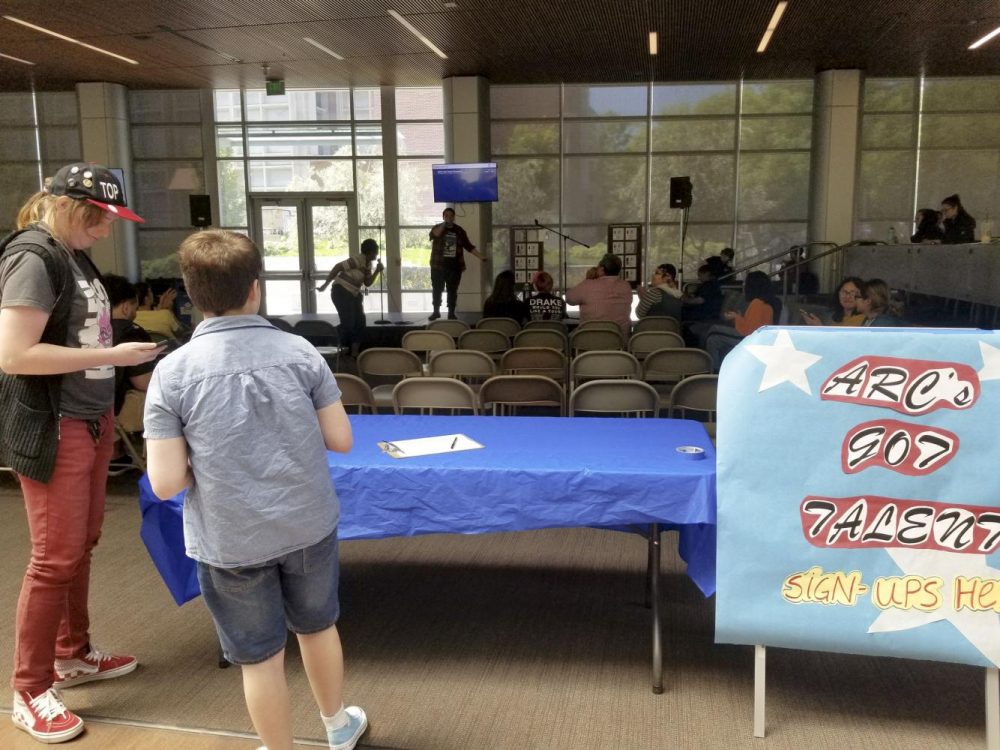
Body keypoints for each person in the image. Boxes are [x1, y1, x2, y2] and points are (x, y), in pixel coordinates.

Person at [144, 230, 368, 750]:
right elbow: (341, 438)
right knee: (317, 627)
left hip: (230, 536)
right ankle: (338, 726)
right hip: (307, 521)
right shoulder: (301, 352)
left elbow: (165, 481)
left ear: (191, 294)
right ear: (255, 289)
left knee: (259, 656)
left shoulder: (171, 373)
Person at [0, 163, 159, 744]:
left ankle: (71, 653)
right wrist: (119, 361)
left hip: (87, 419)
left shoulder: (70, 254)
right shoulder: (34, 257)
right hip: (54, 423)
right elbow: (14, 355)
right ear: (68, 207)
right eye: (99, 219)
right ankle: (30, 687)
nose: (105, 230)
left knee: (80, 545)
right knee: (53, 558)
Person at [316, 238, 383, 358]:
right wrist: (325, 285)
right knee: (349, 322)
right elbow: (337, 267)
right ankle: (332, 340)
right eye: (376, 251)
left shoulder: (367, 264)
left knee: (360, 322)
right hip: (341, 291)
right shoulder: (358, 259)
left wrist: (377, 271)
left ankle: (354, 353)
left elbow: (367, 282)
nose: (377, 254)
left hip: (353, 294)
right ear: (370, 252)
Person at [705, 271, 780, 370]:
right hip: (756, 336)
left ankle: (712, 370)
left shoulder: (757, 303)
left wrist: (736, 317)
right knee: (713, 333)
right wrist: (739, 317)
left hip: (751, 339)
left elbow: (748, 332)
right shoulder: (766, 301)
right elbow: (754, 324)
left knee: (713, 337)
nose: (743, 285)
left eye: (745, 282)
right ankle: (712, 368)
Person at [428, 207, 485, 320]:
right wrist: (445, 224)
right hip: (438, 266)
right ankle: (436, 311)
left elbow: (468, 246)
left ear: (454, 217)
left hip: (454, 266)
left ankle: (451, 312)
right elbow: (434, 235)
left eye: (451, 215)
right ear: (443, 217)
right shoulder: (437, 228)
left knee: (452, 290)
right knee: (437, 289)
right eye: (446, 215)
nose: (449, 217)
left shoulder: (459, 231)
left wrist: (481, 257)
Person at [564, 252, 633, 337]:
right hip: (619, 342)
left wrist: (587, 280)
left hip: (589, 342)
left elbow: (569, 298)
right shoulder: (626, 286)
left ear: (601, 269)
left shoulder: (588, 285)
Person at [801, 276, 866, 326]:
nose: (847, 296)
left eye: (852, 293)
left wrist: (819, 327)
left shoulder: (864, 319)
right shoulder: (831, 315)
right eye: (844, 292)